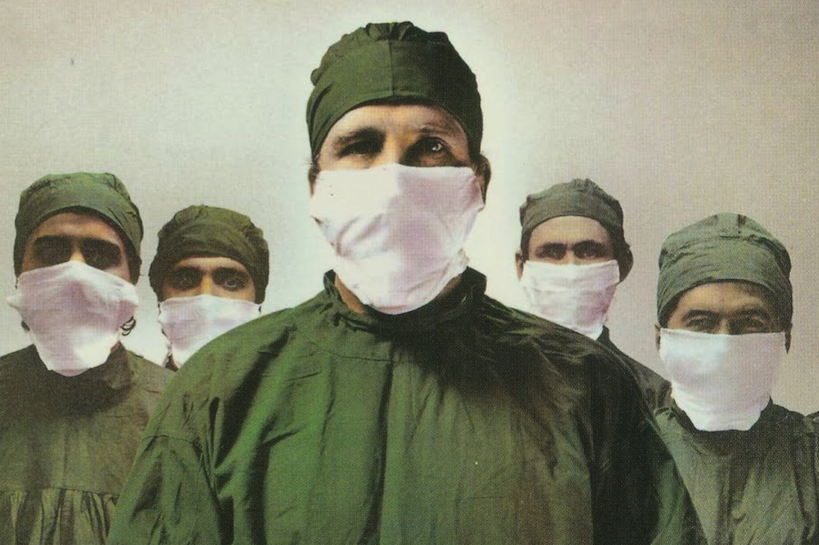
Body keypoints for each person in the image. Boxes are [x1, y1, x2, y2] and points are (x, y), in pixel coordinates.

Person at [108, 22, 703, 544]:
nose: (394, 177)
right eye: (360, 146)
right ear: (317, 186)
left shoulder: (584, 388)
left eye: (430, 147)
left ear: (478, 182)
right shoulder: (221, 390)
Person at [0, 172, 172, 544]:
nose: (75, 274)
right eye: (52, 253)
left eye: (99, 256)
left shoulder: (178, 410)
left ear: (130, 279)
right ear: (20, 271)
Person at [653, 212, 819, 544]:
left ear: (784, 337)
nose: (725, 344)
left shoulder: (810, 461)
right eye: (701, 322)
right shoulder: (620, 456)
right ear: (661, 338)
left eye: (750, 322)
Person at [516, 178, 668, 405]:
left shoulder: (651, 399)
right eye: (552, 253)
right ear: (522, 267)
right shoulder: (488, 387)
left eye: (589, 252)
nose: (571, 269)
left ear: (622, 266)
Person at [148, 205, 269, 370]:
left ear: (257, 298)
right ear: (161, 298)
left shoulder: (289, 385)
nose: (205, 301)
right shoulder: (137, 387)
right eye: (185, 281)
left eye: (231, 283)